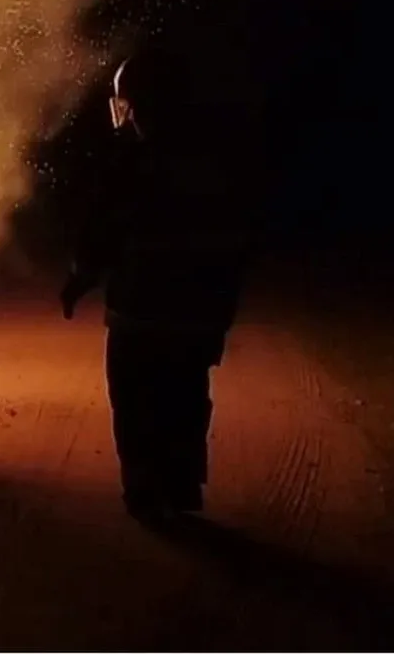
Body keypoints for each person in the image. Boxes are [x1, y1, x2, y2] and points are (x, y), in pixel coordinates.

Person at [61, 47, 253, 525]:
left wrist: (80, 279)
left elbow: (103, 231)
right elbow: (237, 238)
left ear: (138, 103)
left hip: (140, 313)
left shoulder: (132, 162)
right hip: (195, 314)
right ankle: (181, 484)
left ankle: (144, 488)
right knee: (186, 396)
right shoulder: (215, 159)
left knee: (134, 398)